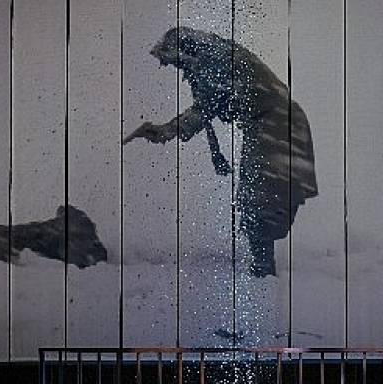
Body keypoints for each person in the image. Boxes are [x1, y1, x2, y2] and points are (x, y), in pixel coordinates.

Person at [122, 26, 318, 277]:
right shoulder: (213, 57)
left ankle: (263, 272)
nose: (175, 69)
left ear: (186, 52)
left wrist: (167, 130)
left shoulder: (216, 59)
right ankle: (263, 268)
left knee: (259, 200)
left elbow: (204, 109)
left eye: (174, 62)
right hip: (275, 125)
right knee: (260, 199)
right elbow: (207, 106)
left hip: (277, 126)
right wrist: (181, 136)